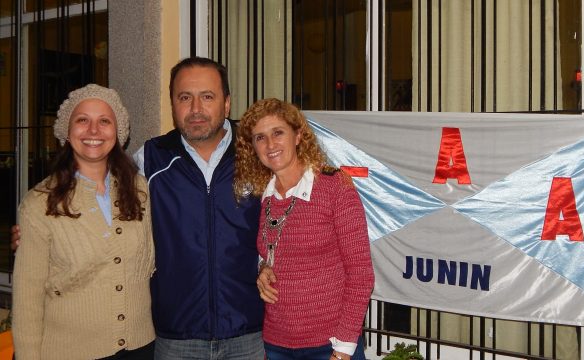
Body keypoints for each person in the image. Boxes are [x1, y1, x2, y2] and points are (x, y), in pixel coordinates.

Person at [11, 58, 264, 360]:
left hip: (247, 332)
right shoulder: (149, 162)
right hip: (174, 339)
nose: (196, 108)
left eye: (207, 96)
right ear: (172, 104)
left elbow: (295, 208)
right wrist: (31, 239)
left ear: (226, 103)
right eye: (184, 97)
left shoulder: (259, 155)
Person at [12, 84, 155, 359]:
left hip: (141, 347)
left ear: (118, 132)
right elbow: (27, 299)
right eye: (82, 120)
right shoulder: (39, 204)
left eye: (104, 121)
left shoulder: (140, 190)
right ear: (66, 131)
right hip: (70, 351)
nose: (93, 130)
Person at [233, 98, 375, 360]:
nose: (270, 144)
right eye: (260, 138)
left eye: (278, 133)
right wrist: (262, 270)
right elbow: (273, 253)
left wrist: (343, 350)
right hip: (276, 344)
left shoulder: (335, 187)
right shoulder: (262, 197)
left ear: (298, 136)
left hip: (331, 344)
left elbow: (361, 274)